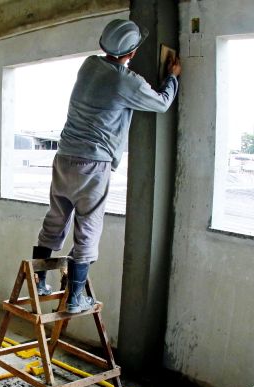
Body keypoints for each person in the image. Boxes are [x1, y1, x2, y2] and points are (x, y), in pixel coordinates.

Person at [32, 18, 181, 313]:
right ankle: (75, 298)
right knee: (88, 226)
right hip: (93, 162)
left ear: (104, 44)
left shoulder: (88, 65)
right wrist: (172, 77)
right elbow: (162, 104)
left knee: (56, 217)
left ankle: (38, 280)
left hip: (64, 157)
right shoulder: (127, 81)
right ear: (133, 52)